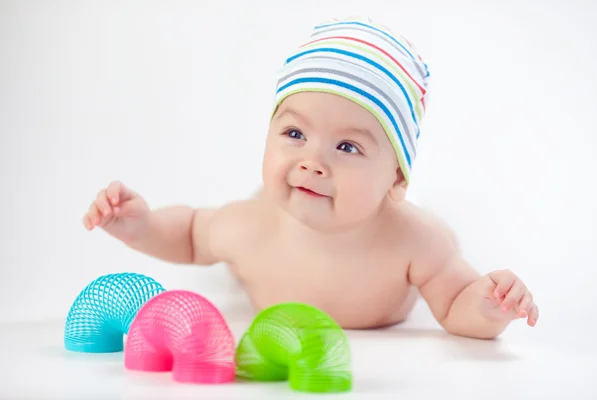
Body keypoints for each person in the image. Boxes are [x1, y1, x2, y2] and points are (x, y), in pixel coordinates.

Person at [82, 16, 538, 339]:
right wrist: (140, 226)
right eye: (295, 133)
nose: (312, 162)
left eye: (347, 147)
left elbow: (455, 304)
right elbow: (188, 236)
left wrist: (487, 306)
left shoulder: (416, 244)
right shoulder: (249, 225)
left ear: (396, 180)